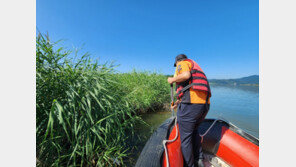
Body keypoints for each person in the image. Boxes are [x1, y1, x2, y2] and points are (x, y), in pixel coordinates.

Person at [167, 54, 211, 167]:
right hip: (204, 106)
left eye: (176, 65)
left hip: (191, 106)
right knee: (195, 131)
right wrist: (177, 103)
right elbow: (191, 89)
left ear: (177, 62)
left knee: (185, 139)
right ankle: (199, 159)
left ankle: (190, 165)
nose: (176, 67)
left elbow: (186, 75)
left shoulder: (182, 63)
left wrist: (172, 79)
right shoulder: (195, 66)